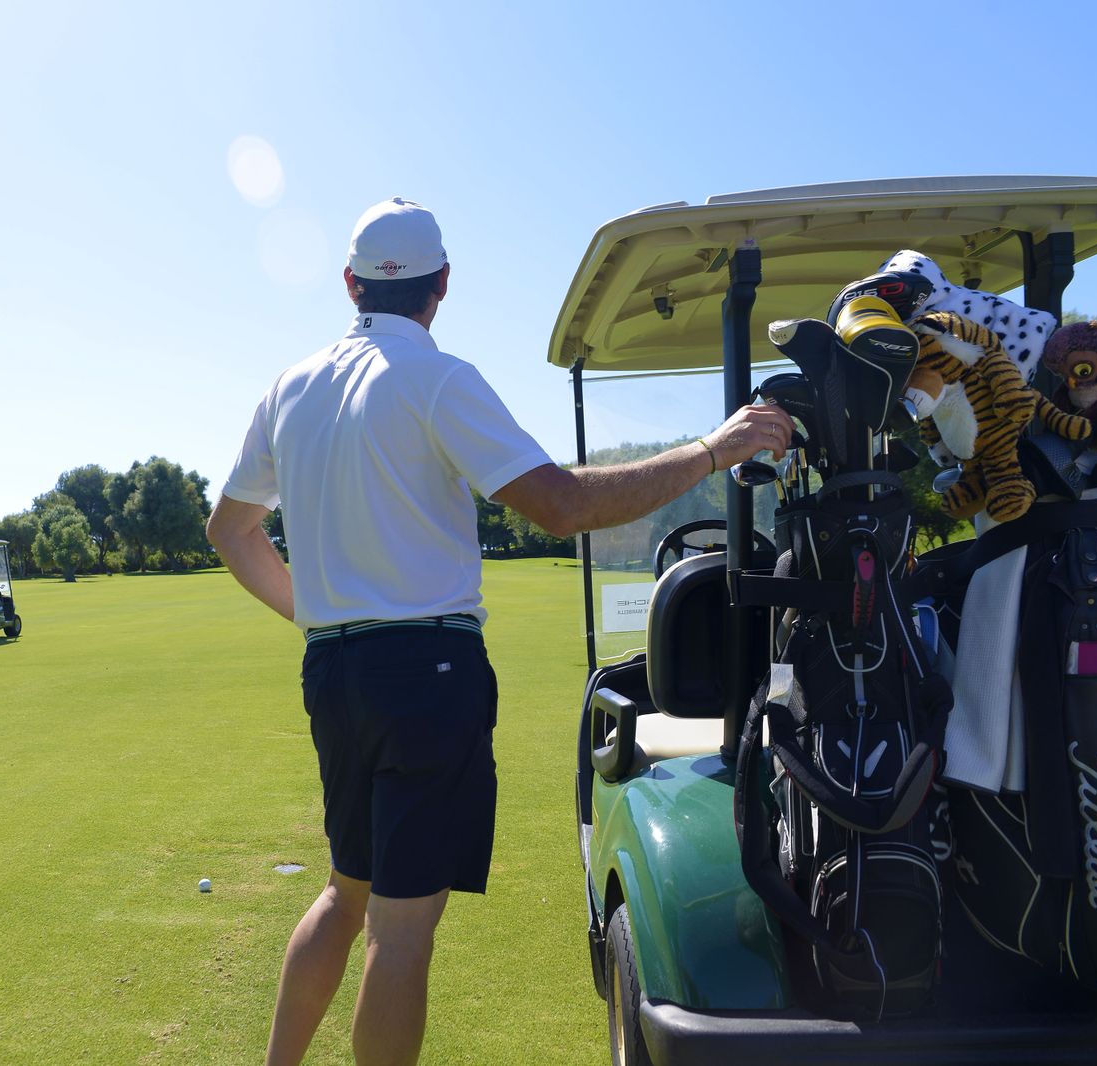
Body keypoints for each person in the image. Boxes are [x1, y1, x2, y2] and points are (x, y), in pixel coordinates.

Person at [206, 197, 793, 1066]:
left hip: (335, 672)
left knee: (345, 894)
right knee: (400, 934)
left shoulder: (290, 386)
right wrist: (713, 451)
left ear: (350, 284)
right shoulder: (438, 378)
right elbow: (561, 505)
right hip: (426, 673)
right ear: (442, 285)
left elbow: (231, 530)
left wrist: (322, 613)